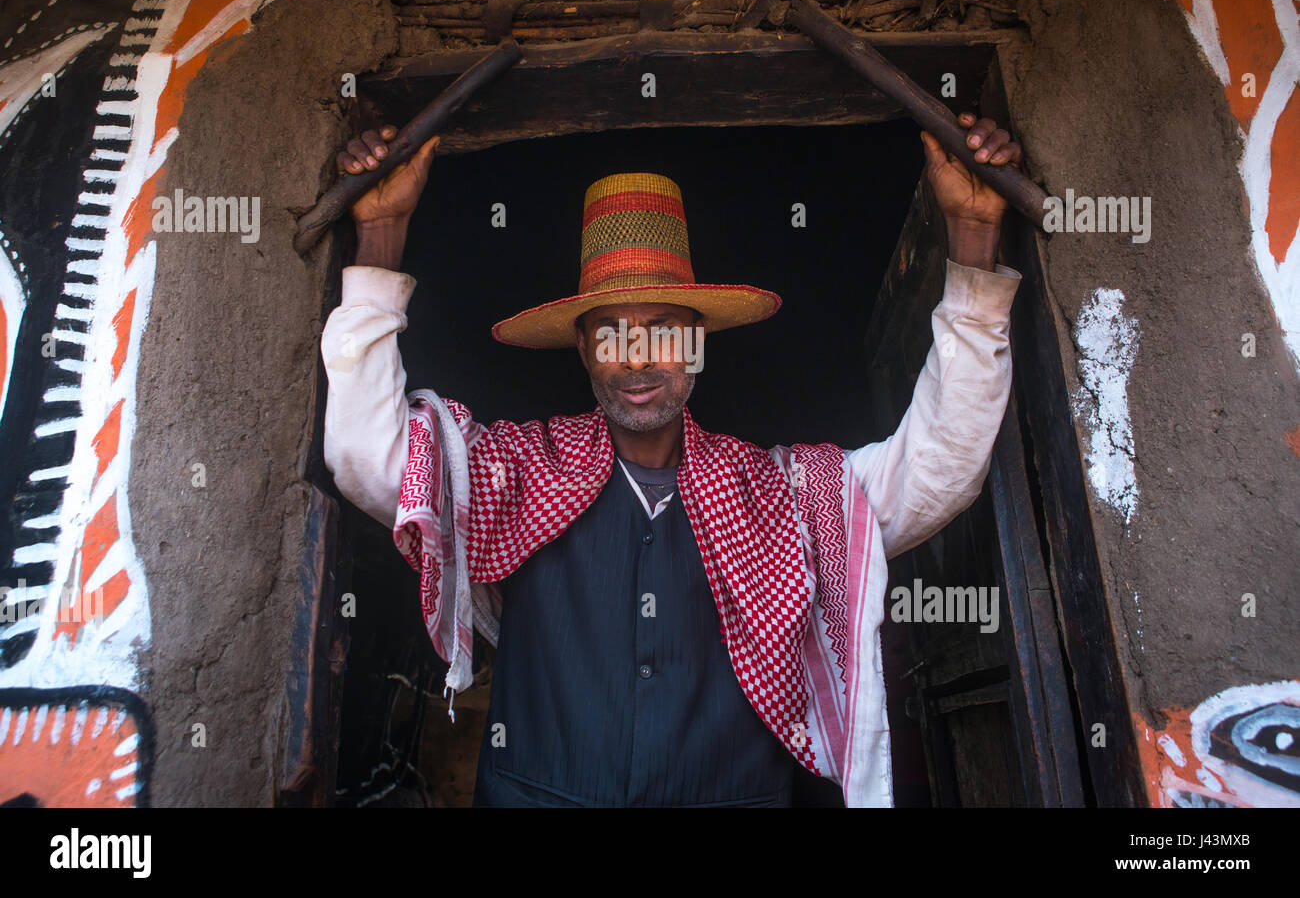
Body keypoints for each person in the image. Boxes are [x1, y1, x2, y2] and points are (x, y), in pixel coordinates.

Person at [320, 115, 1023, 807]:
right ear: (583, 349)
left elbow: (939, 465)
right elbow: (370, 458)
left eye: (663, 332)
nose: (636, 359)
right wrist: (381, 236)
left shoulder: (779, 493)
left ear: (698, 343)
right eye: (611, 335)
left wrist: (973, 237)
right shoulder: (517, 471)